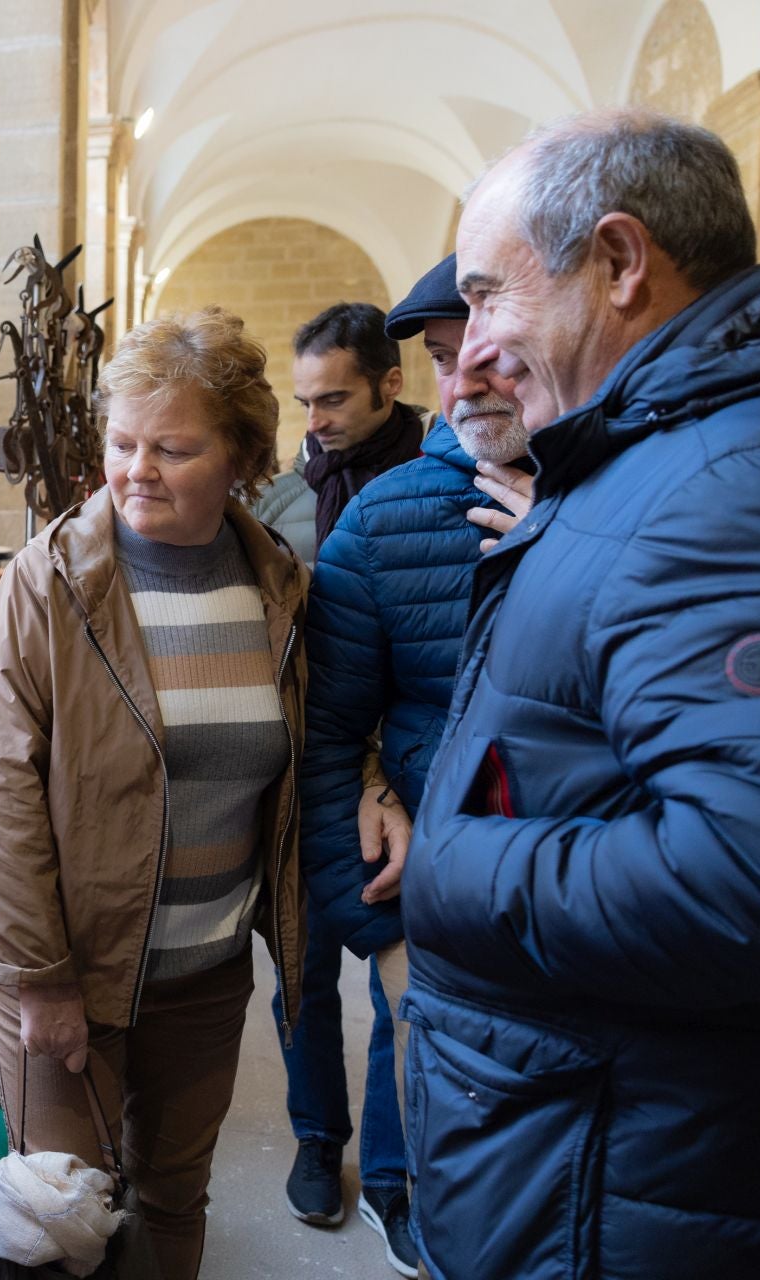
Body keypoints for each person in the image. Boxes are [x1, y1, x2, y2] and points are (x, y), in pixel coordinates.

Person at [403, 108, 760, 1278]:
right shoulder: (657, 452)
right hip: (587, 1148)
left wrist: (454, 864)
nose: (469, 357)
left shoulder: (710, 489)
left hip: (613, 1182)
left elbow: (744, 871)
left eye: (490, 297)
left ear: (619, 262)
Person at [0, 307, 308, 1279]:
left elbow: (320, 738)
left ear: (241, 454)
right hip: (69, 968)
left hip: (205, 971)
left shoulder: (279, 587)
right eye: (122, 442)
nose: (136, 467)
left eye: (173, 446)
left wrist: (373, 788)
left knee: (171, 1195)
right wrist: (43, 975)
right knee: (55, 1214)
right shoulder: (52, 580)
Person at [279, 252, 531, 1277]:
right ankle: (350, 1157)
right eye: (441, 353)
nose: (464, 374)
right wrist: (381, 923)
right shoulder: (376, 520)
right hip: (404, 859)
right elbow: (328, 730)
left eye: (488, 348)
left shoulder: (638, 502)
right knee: (365, 998)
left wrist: (559, 552)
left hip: (569, 895)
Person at [289, 304, 426, 552]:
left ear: (391, 384)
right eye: (305, 403)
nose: (314, 424)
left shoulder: (450, 480)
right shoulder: (272, 505)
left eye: (333, 400)